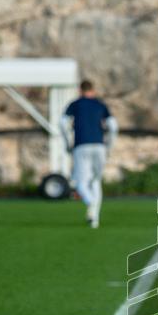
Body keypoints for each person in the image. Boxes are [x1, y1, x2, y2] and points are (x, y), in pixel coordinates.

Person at [60, 80, 117, 228]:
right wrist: (109, 145)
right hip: (100, 147)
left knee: (80, 183)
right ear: (93, 90)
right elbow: (113, 126)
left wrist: (67, 142)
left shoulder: (75, 104)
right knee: (96, 181)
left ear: (80, 90)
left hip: (81, 146)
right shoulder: (100, 105)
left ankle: (91, 203)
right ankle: (94, 219)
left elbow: (62, 123)